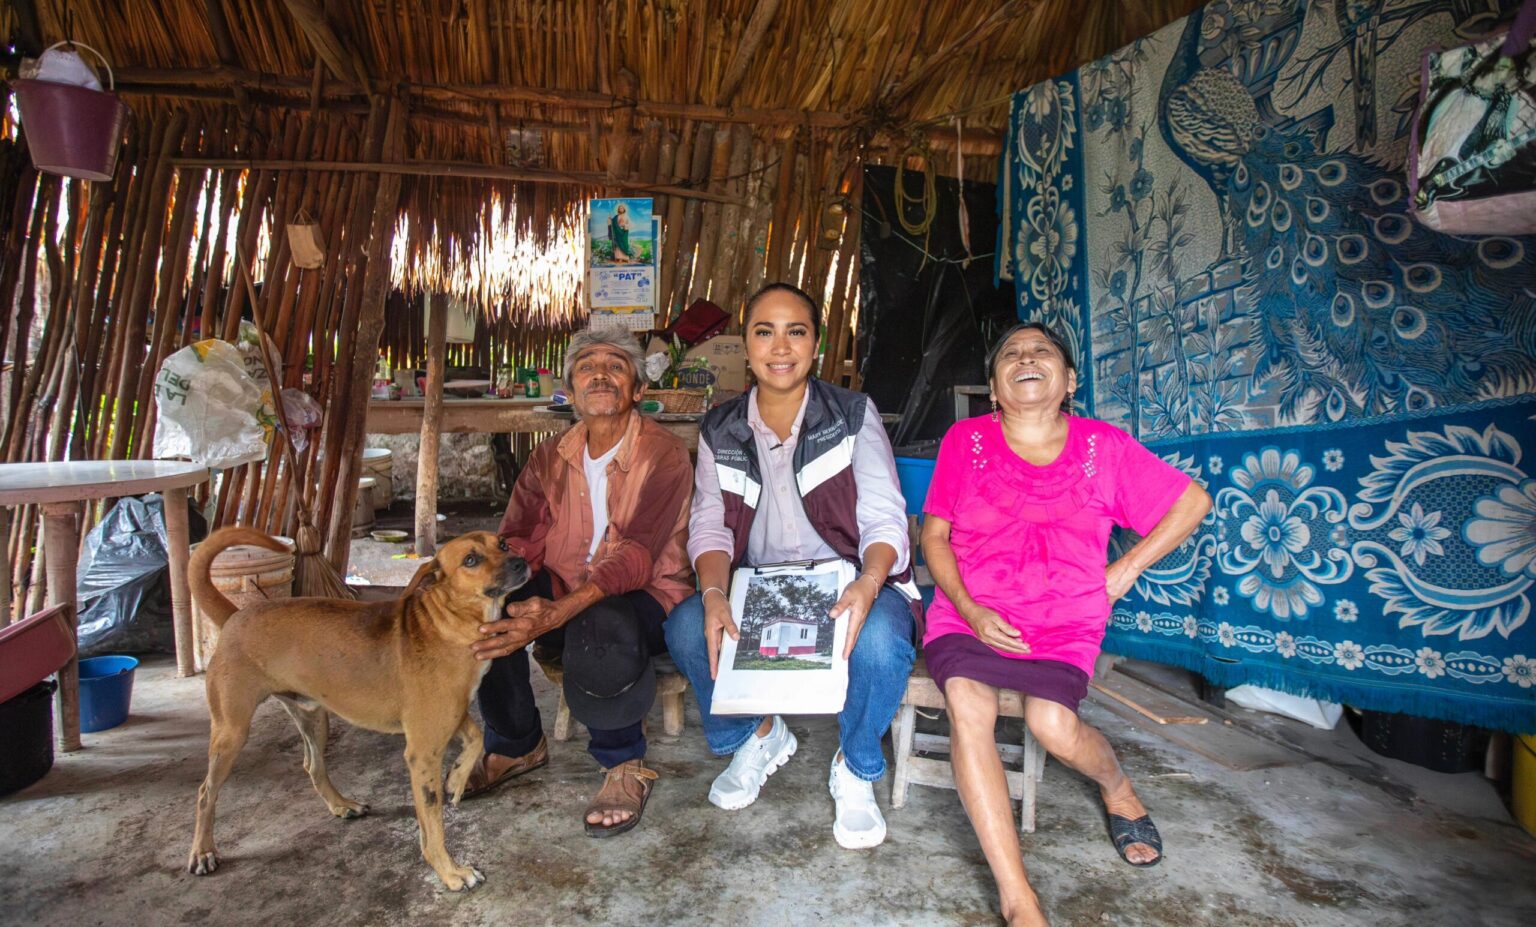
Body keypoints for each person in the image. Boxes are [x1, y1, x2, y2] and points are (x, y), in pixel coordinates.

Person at [919, 323, 1212, 926]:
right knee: (968, 707)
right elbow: (935, 536)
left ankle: (1117, 786)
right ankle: (1018, 899)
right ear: (994, 387)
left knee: (1051, 723)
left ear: (1069, 380)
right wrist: (972, 609)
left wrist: (1125, 569)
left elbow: (1192, 503)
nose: (1025, 358)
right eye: (1011, 355)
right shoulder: (965, 440)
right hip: (970, 610)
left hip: (1064, 619)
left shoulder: (1105, 446)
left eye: (1041, 351)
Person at [665, 282, 919, 850]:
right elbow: (710, 525)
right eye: (765, 331)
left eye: (796, 331)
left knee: (878, 642)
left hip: (848, 579)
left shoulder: (851, 414)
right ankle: (758, 735)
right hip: (765, 589)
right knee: (687, 626)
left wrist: (869, 583)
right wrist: (712, 594)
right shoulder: (720, 427)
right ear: (748, 345)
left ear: (816, 345)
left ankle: (855, 765)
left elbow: (883, 518)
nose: (780, 347)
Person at [465, 328, 693, 838]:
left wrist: (555, 612)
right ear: (570, 390)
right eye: (587, 366)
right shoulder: (549, 456)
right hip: (567, 590)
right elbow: (518, 541)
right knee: (490, 602)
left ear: (637, 389)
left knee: (601, 617)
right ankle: (516, 742)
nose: (600, 374)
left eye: (616, 366)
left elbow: (635, 555)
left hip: (648, 602)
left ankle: (623, 764)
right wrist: (511, 593)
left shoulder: (664, 455)